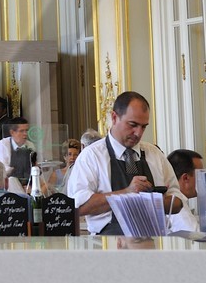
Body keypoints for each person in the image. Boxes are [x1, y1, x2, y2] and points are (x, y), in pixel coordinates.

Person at [65, 91, 182, 235]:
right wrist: (126, 194)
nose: (138, 133)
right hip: (109, 242)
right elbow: (78, 207)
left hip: (154, 241)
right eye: (133, 125)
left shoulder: (155, 154)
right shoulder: (91, 156)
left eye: (143, 127)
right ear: (114, 117)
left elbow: (178, 201)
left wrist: (154, 202)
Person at [166, 149, 205, 232]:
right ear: (185, 178)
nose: (203, 181)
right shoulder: (175, 205)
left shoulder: (171, 199)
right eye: (200, 176)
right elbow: (195, 235)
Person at [0, 117, 35, 186]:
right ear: (12, 132)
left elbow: (34, 165)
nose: (25, 134)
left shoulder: (30, 145)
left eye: (26, 130)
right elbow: (3, 167)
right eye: (21, 131)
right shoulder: (3, 144)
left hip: (27, 182)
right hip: (8, 182)